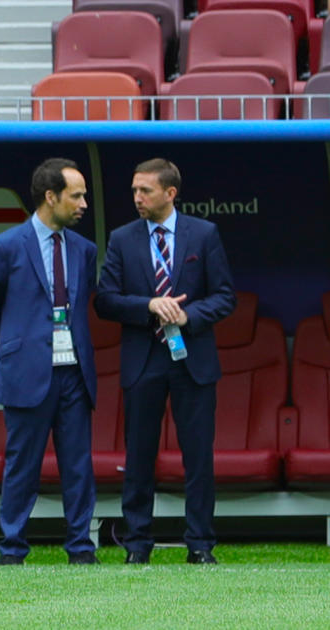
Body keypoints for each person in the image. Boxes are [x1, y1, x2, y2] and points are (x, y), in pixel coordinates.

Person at [95, 158, 235, 564]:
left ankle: (200, 544)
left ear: (170, 193)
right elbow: (105, 300)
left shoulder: (203, 234)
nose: (137, 198)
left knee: (198, 457)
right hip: (144, 359)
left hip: (192, 359)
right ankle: (137, 544)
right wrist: (148, 304)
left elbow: (225, 296)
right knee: (138, 456)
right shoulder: (122, 239)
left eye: (146, 191)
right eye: (135, 190)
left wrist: (191, 316)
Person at [0, 158, 100, 566]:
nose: (85, 203)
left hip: (74, 374)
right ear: (51, 197)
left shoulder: (84, 250)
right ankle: (12, 549)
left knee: (79, 465)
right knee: (22, 466)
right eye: (77, 195)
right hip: (27, 371)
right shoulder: (6, 246)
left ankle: (81, 547)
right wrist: (17, 352)